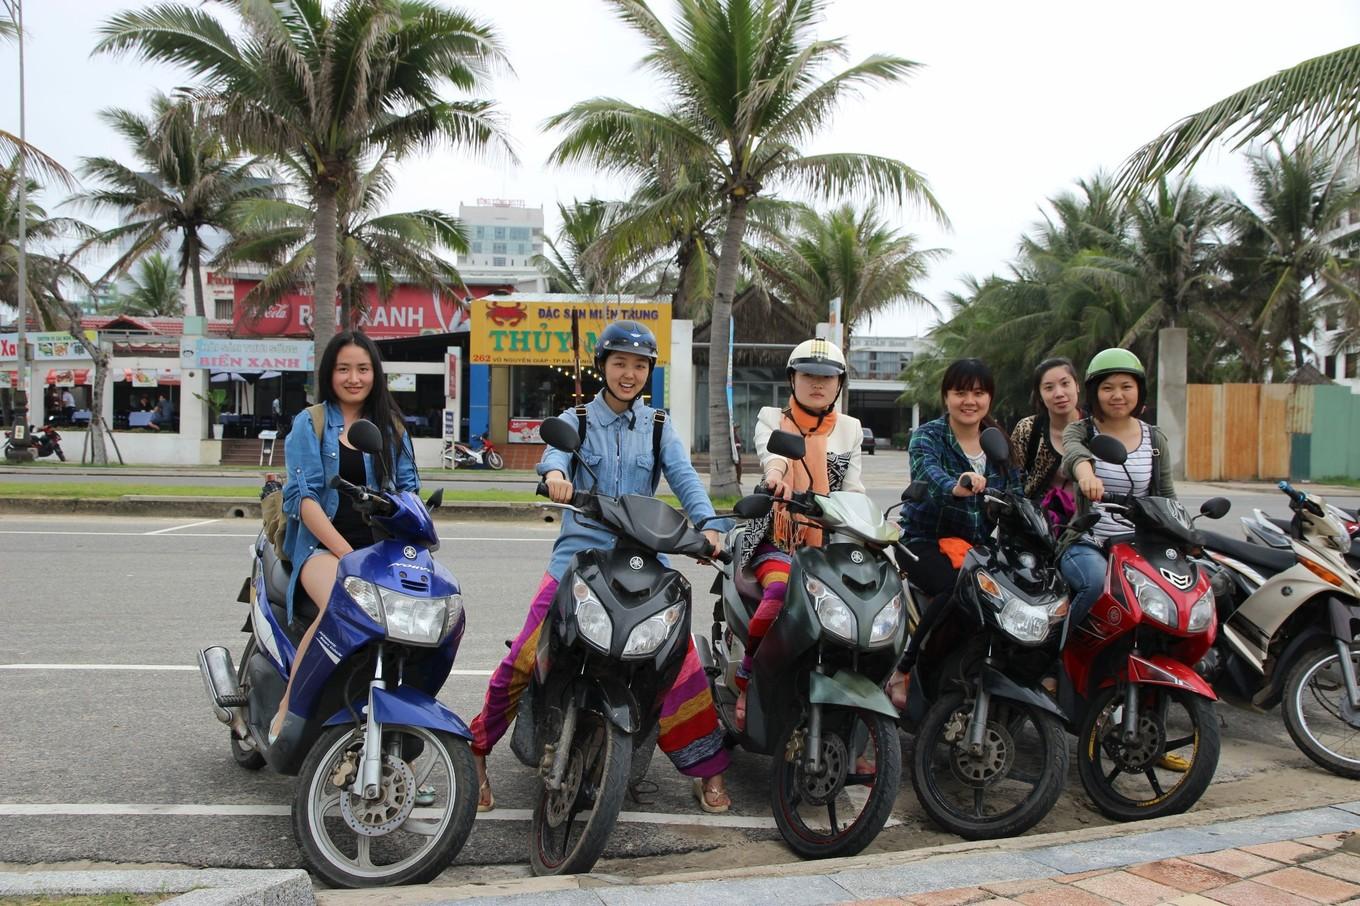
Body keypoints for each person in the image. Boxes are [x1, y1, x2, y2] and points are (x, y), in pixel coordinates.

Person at [468, 320, 733, 814]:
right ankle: (476, 750)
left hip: (642, 557)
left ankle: (707, 768)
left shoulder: (658, 426)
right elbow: (554, 455)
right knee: (526, 652)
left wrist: (710, 526)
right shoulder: (577, 418)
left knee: (679, 659)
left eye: (639, 366)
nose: (629, 374)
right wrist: (555, 475)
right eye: (620, 363)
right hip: (579, 556)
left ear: (649, 372)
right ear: (603, 367)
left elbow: (684, 478)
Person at [270, 331, 420, 745]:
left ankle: (397, 723)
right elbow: (304, 498)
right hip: (324, 548)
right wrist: (346, 553)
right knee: (337, 605)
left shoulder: (391, 428)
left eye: (363, 369)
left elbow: (409, 491)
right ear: (329, 374)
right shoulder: (311, 423)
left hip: (380, 551)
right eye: (344, 369)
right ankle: (289, 709)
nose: (354, 378)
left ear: (375, 374)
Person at [736, 338, 864, 727]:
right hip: (777, 535)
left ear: (839, 383)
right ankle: (746, 676)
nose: (818, 383)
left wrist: (870, 525)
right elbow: (773, 456)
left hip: (828, 542)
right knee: (780, 592)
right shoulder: (771, 417)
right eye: (808, 375)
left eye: (827, 377)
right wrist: (776, 479)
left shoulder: (851, 428)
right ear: (792, 379)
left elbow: (853, 489)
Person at [886, 358, 1020, 707]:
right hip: (922, 541)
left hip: (977, 549)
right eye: (960, 392)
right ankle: (904, 669)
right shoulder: (927, 436)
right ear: (946, 396)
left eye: (978, 393)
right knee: (958, 588)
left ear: (990, 398)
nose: (969, 401)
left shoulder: (998, 442)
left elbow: (1017, 494)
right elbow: (928, 475)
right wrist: (957, 486)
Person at [1057, 347, 1176, 631]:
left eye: (1126, 386)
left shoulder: (1155, 439)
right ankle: (1059, 648)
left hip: (1142, 546)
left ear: (1139, 391)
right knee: (1097, 583)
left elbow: (1168, 497)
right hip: (1090, 541)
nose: (1118, 395)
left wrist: (1186, 537)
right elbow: (1073, 455)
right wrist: (1086, 476)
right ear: (1095, 393)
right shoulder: (1081, 430)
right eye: (1108, 388)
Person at [1010, 357, 1081, 530]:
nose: (1059, 393)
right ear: (1040, 395)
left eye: (1065, 383)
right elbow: (1011, 479)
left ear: (1077, 386)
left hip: (1089, 523)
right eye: (1049, 388)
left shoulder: (1094, 428)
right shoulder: (1028, 429)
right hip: (1039, 525)